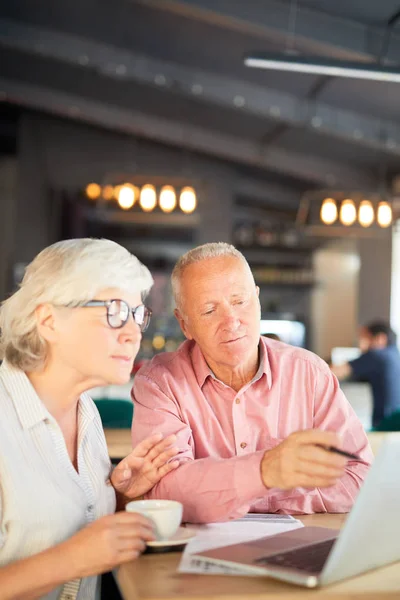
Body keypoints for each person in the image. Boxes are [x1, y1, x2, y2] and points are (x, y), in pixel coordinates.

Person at [131, 242, 373, 524]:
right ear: (185, 324)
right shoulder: (160, 382)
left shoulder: (310, 373)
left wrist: (257, 492)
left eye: (239, 301)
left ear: (257, 300)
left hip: (298, 548)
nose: (231, 321)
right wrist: (266, 472)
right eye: (209, 311)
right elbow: (165, 491)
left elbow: (358, 476)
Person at [0, 238, 180, 600]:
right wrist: (72, 558)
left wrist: (119, 495)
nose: (132, 334)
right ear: (48, 319)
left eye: (136, 315)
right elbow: (77, 552)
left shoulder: (87, 413)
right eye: (114, 310)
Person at [331, 321, 400, 428]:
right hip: (396, 421)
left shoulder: (376, 355)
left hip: (386, 425)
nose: (360, 344)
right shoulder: (394, 354)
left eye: (364, 339)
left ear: (380, 338)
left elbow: (332, 372)